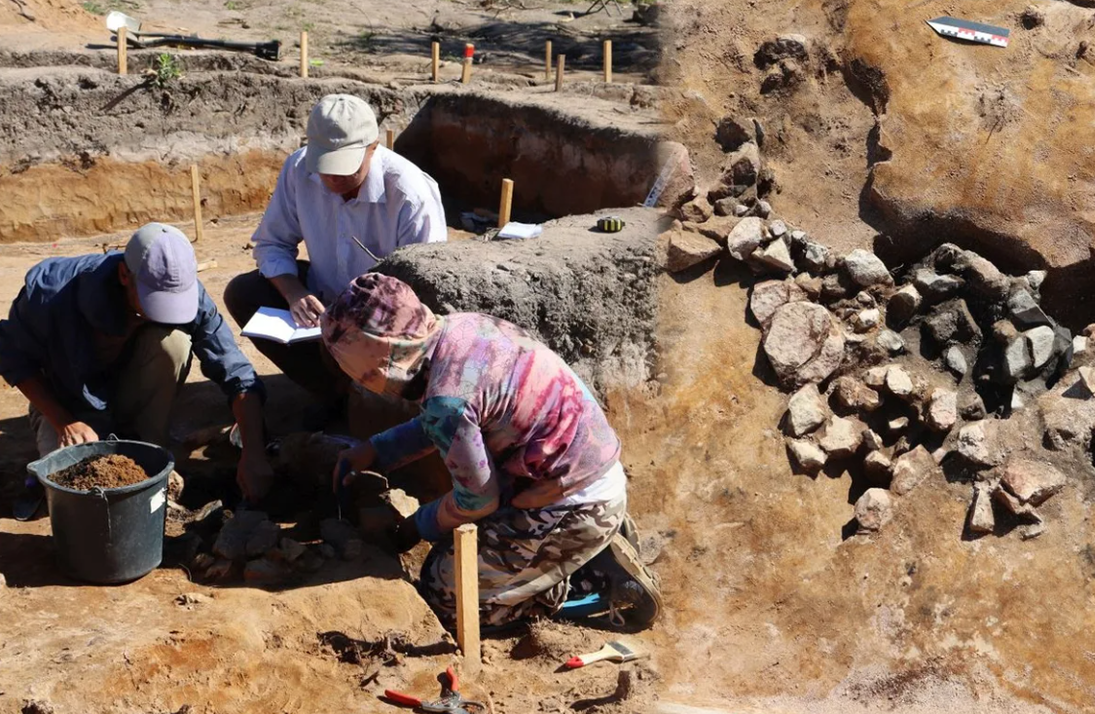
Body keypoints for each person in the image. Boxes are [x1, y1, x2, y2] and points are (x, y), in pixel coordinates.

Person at [321, 273, 662, 630]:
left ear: (382, 360)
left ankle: (590, 584)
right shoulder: (461, 328)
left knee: (448, 594)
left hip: (575, 502)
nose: (364, 384)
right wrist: (377, 450)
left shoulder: (447, 401)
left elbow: (477, 500)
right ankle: (582, 546)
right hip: (584, 469)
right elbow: (451, 425)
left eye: (362, 376)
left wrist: (416, 525)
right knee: (459, 541)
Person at [0, 223, 272, 514]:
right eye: (153, 301)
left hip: (132, 392)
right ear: (124, 275)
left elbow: (235, 371)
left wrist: (253, 452)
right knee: (76, 490)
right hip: (67, 406)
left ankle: (147, 445)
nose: (164, 310)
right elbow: (12, 354)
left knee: (174, 342)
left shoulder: (189, 292)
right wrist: (63, 420)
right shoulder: (50, 292)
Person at [224, 94, 447, 424]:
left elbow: (426, 293)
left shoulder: (410, 194)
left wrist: (362, 328)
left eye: (344, 168)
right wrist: (295, 294)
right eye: (325, 167)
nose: (331, 180)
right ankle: (333, 394)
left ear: (373, 148)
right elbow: (271, 244)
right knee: (244, 293)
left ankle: (369, 402)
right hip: (323, 307)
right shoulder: (299, 170)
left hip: (383, 328)